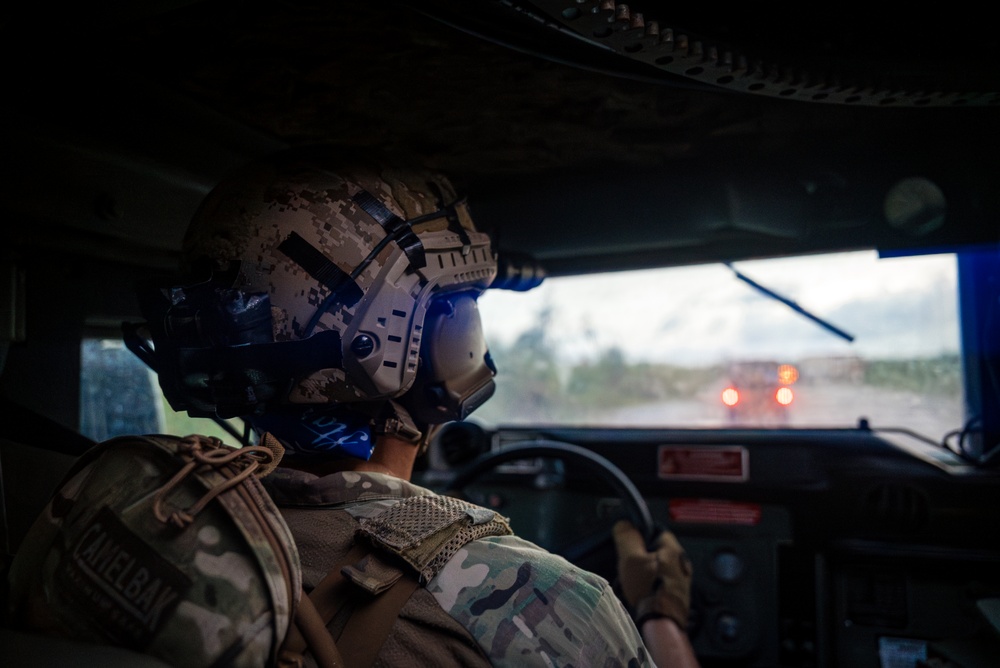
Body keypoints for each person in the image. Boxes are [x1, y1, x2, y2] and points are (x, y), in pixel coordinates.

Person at [17, 146, 700, 667]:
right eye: (458, 310)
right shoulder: (540, 601)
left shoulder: (112, 525)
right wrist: (660, 615)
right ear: (429, 343)